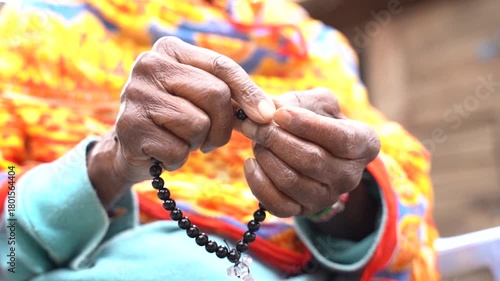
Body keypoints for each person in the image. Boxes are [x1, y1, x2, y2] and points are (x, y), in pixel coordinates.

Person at [0, 0, 439, 280]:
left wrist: (334, 194)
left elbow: (394, 215)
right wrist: (110, 161)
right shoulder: (28, 29)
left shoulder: (318, 48)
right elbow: (11, 256)